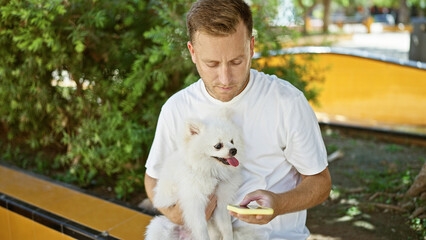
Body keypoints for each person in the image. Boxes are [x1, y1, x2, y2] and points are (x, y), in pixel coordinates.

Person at [144, 0, 332, 239]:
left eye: (236, 61)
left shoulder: (287, 102)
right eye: (211, 63)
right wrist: (177, 214)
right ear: (192, 53)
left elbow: (321, 183)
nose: (225, 77)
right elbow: (153, 177)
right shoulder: (177, 108)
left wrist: (278, 204)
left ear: (251, 46)